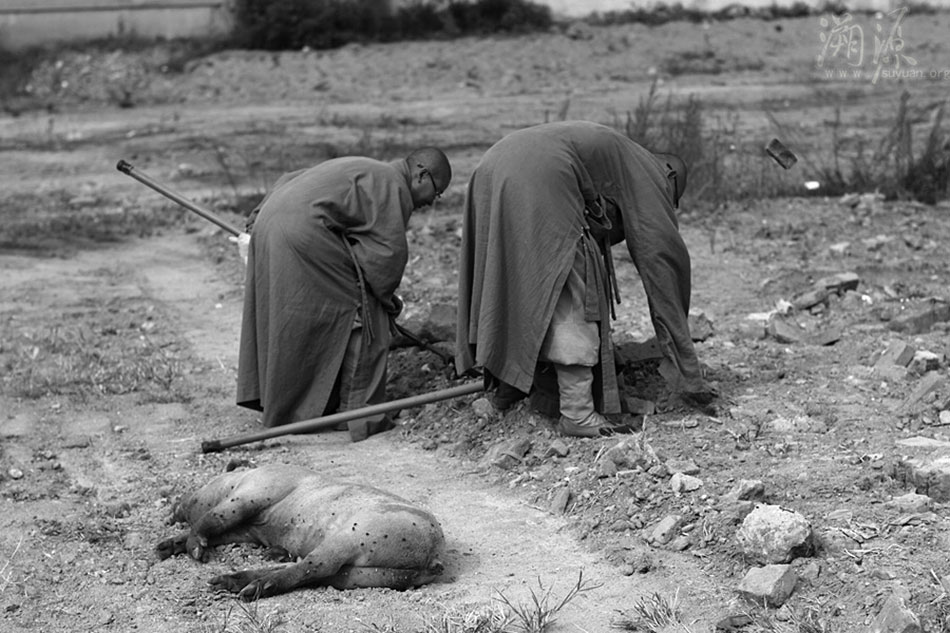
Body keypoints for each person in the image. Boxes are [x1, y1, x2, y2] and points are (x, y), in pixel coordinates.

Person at [455, 121, 715, 438]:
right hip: (544, 174)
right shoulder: (652, 172)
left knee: (518, 282)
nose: (665, 204)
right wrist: (688, 368)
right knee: (575, 284)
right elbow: (662, 262)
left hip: (492, 166)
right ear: (670, 175)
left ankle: (506, 391)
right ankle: (577, 413)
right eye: (670, 198)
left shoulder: (612, 152)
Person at [237, 148, 452, 440]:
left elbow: (290, 178)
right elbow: (386, 258)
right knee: (363, 309)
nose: (430, 203)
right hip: (302, 235)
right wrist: (388, 303)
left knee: (299, 315)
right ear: (421, 175)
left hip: (270, 227)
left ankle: (297, 405)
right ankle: (359, 414)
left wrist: (257, 220)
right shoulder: (394, 185)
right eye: (436, 193)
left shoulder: (364, 166)